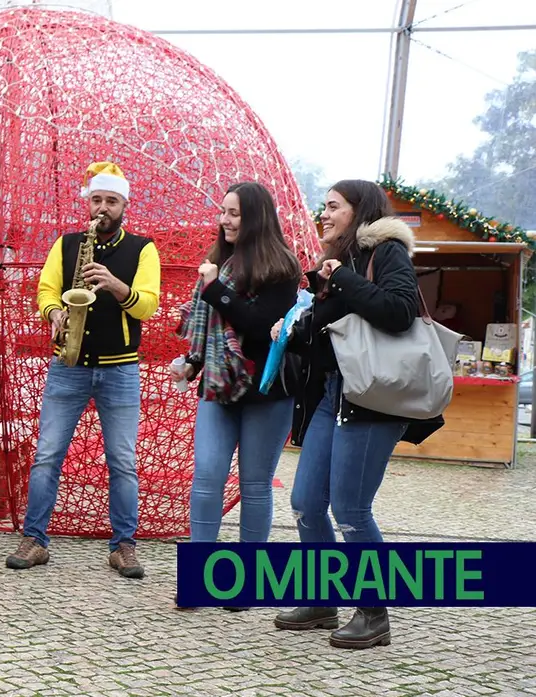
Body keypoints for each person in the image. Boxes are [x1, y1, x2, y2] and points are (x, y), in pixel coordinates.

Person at [270, 179, 435, 649]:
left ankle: (373, 612)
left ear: (359, 211)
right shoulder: (339, 266)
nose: (323, 214)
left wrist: (340, 277)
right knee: (304, 501)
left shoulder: (386, 251)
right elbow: (332, 332)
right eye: (323, 206)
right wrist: (296, 325)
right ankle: (322, 599)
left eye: (333, 206)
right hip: (333, 395)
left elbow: (400, 311)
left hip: (374, 400)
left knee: (351, 508)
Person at [5, 161, 161, 577]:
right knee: (47, 456)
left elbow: (148, 305)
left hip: (120, 369)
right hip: (68, 365)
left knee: (122, 461)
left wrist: (115, 284)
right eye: (97, 200)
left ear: (124, 203)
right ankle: (35, 539)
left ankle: (123, 545)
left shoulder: (143, 248)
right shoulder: (67, 242)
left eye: (111, 201)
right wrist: (53, 311)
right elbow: (45, 288)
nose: (103, 208)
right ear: (87, 202)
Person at [170, 182, 302, 608]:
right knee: (207, 477)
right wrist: (192, 361)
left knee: (255, 484)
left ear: (256, 217)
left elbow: (262, 323)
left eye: (234, 213)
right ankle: (198, 580)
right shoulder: (218, 261)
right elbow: (210, 331)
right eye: (223, 211)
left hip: (265, 390)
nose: (224, 220)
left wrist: (214, 291)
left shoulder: (282, 267)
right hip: (218, 387)